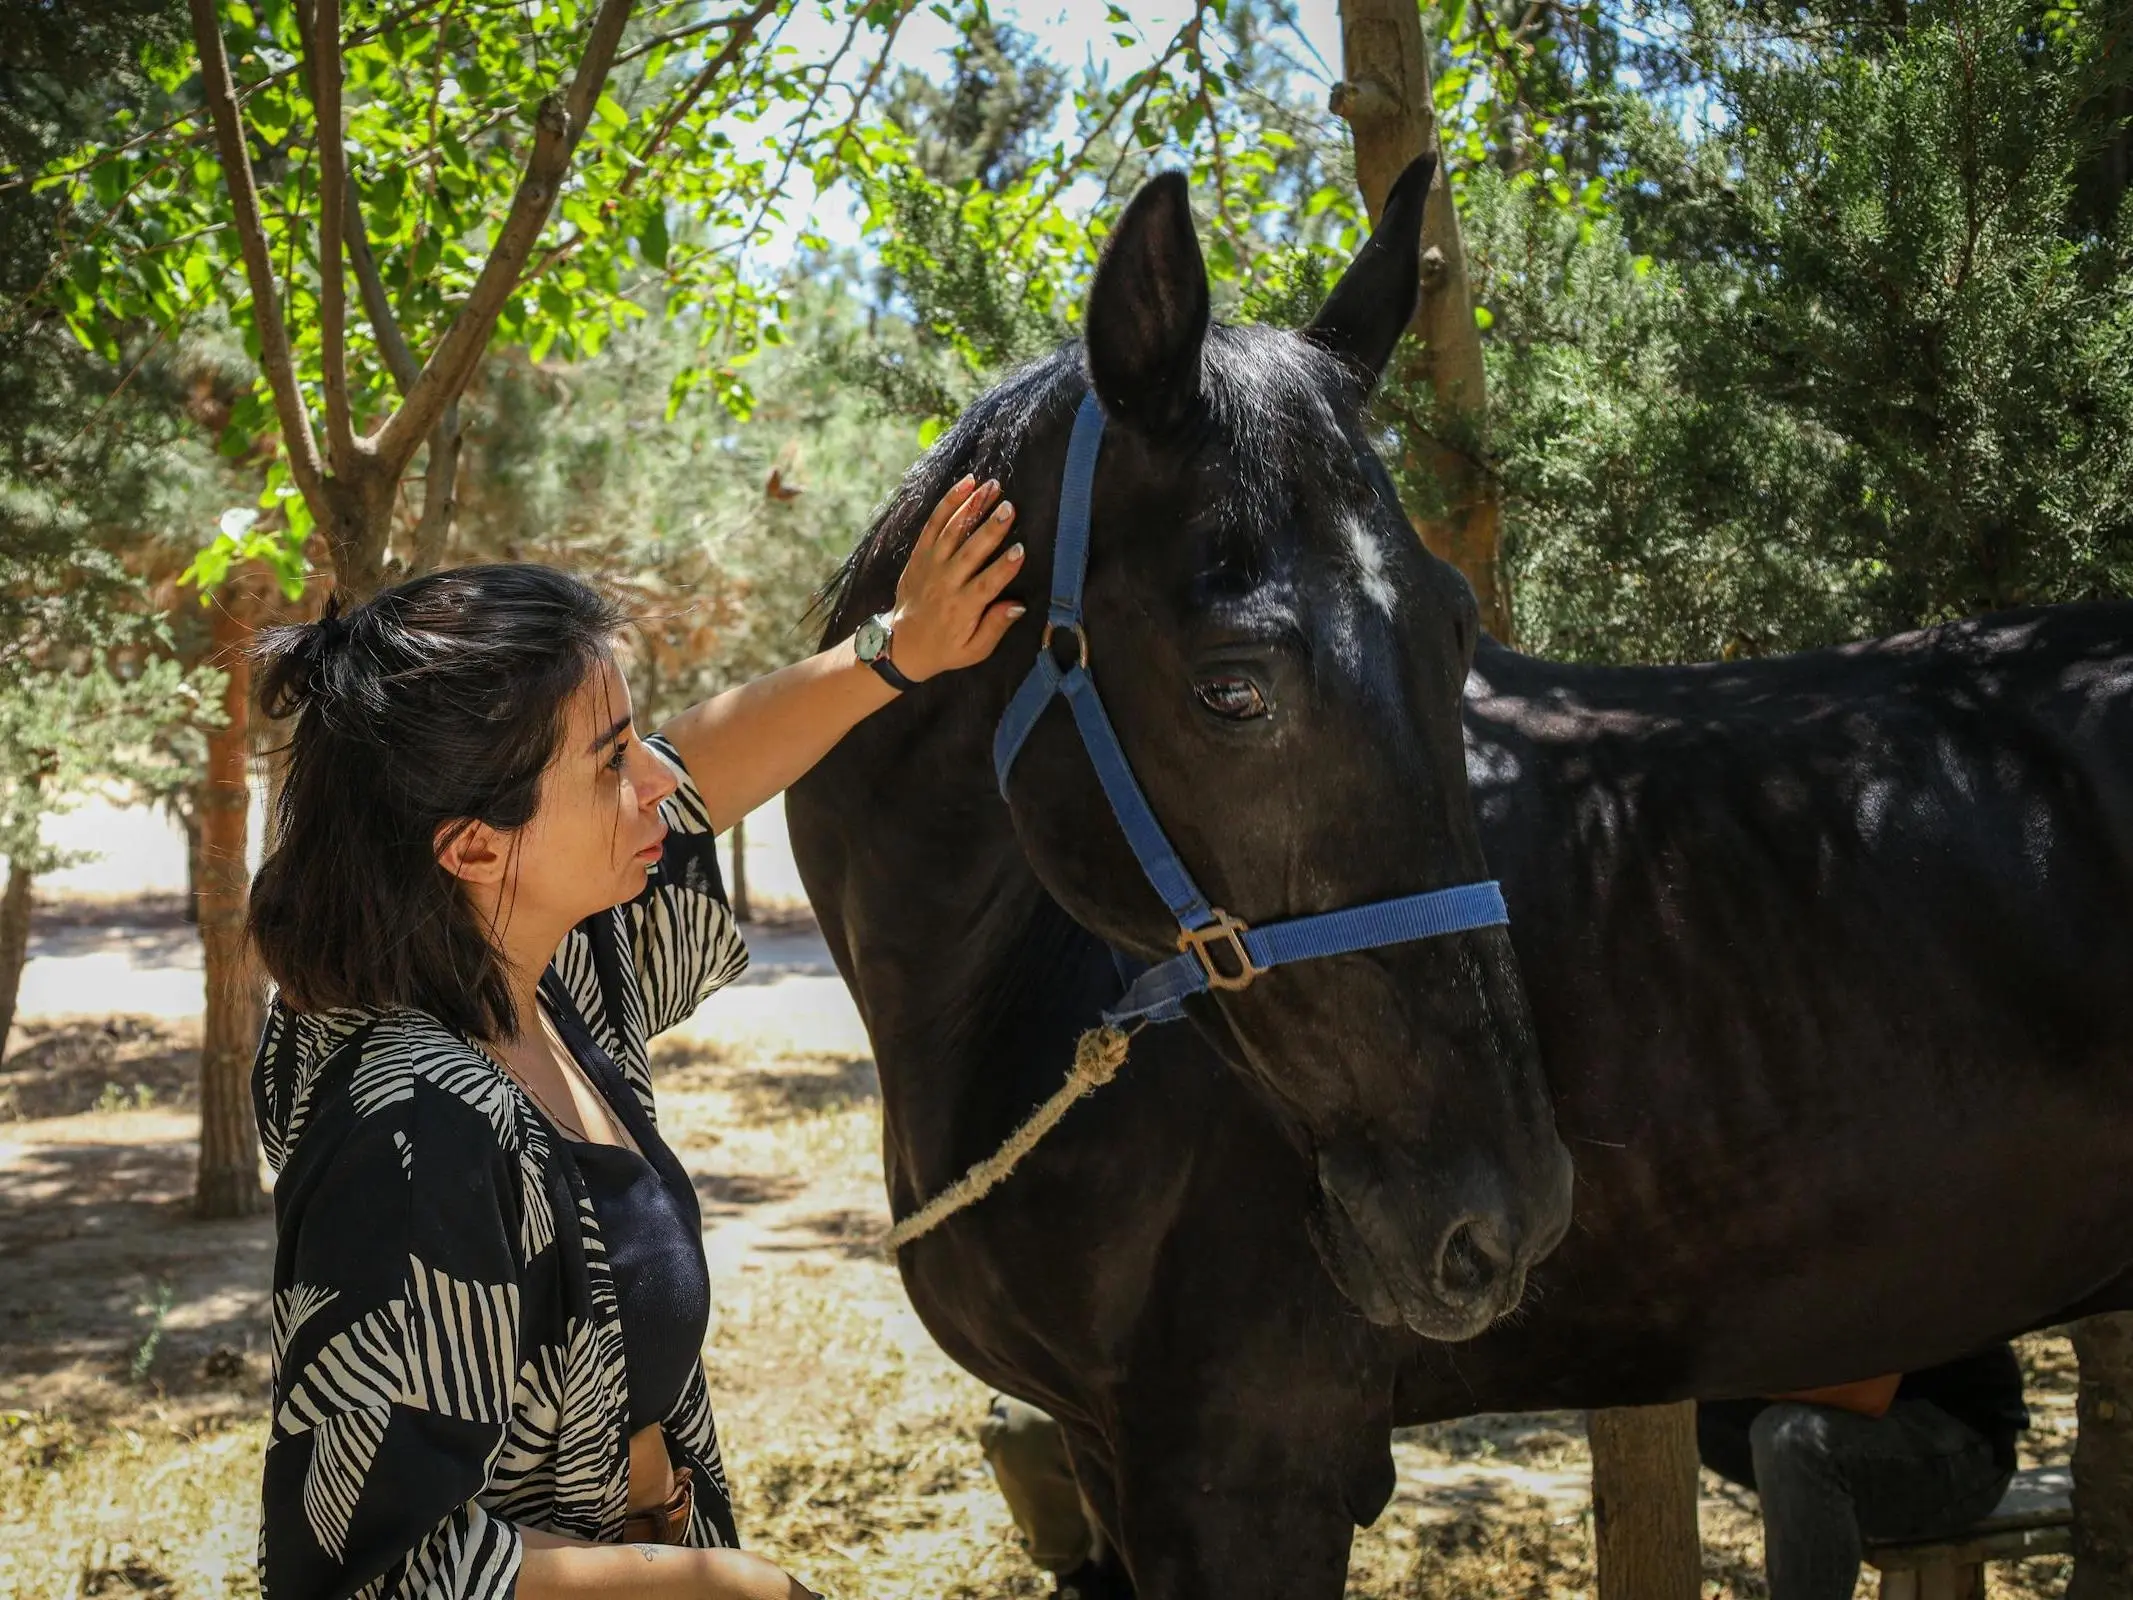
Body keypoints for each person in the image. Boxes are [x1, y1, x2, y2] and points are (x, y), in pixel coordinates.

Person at [248, 476, 1023, 1600]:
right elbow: (376, 1568)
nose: (654, 778)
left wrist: (895, 650)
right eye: (611, 759)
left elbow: (701, 770)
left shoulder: (545, 977)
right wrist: (713, 1584)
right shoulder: (414, 1136)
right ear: (470, 847)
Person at [1697, 1346, 2031, 1600]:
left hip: (1970, 1455)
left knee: (1791, 1439)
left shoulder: (1894, 1259)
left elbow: (1869, 1394)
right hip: (1873, 1430)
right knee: (1693, 1410)